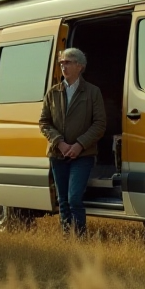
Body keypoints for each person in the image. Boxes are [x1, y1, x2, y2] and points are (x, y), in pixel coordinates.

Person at [39, 48, 106, 237]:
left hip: (82, 155)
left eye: (67, 62)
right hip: (57, 154)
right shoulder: (53, 92)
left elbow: (100, 124)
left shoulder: (93, 92)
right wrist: (59, 142)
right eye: (61, 63)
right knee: (63, 201)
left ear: (80, 66)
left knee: (74, 198)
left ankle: (80, 238)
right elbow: (44, 122)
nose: (63, 66)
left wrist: (79, 145)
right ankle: (67, 239)